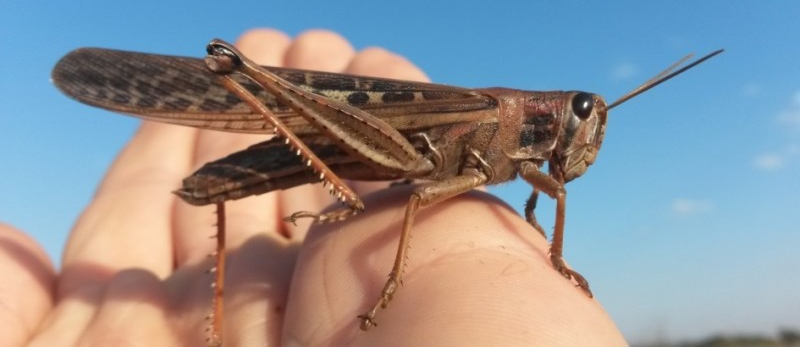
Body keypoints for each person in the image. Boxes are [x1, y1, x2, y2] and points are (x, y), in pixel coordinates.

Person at [2, 29, 626, 346]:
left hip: (373, 149)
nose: (580, 133)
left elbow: (556, 188)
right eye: (577, 114)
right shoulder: (493, 117)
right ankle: (250, 86)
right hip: (364, 138)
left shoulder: (531, 168)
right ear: (548, 113)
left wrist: (551, 248)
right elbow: (416, 194)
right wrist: (384, 286)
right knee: (410, 195)